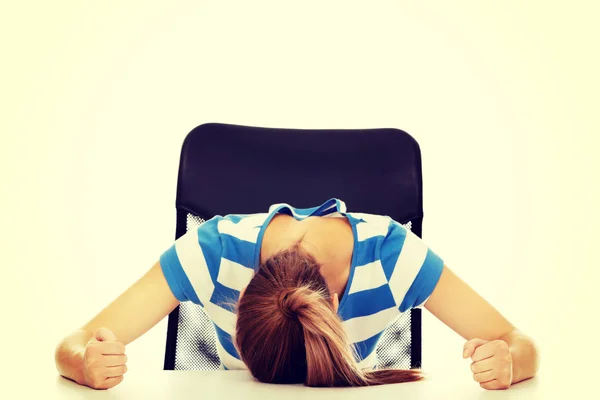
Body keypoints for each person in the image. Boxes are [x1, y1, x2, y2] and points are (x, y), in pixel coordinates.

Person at [54, 198, 539, 390]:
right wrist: (84, 363)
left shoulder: (393, 257)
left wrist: (511, 363)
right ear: (241, 294)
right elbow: (74, 342)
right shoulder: (213, 254)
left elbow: (518, 341)